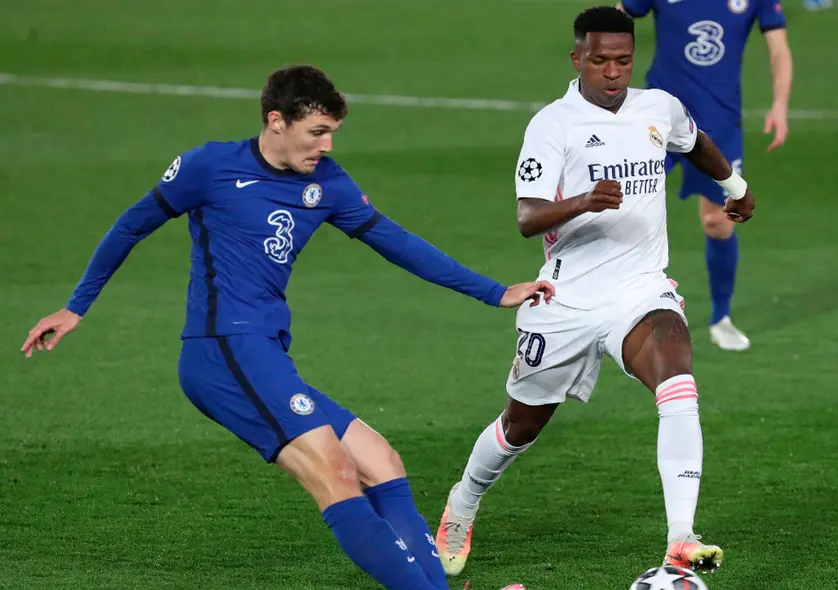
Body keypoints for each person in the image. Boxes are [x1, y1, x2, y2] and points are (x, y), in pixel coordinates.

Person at [20, 65, 552, 590]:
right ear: (277, 121)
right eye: (316, 132)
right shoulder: (210, 166)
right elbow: (131, 225)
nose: (325, 146)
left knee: (380, 461)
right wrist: (76, 307)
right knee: (336, 474)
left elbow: (398, 242)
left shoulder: (328, 182)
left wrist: (493, 290)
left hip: (265, 353)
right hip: (221, 352)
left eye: (331, 133)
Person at [435, 6, 755, 577]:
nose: (612, 71)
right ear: (577, 57)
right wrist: (583, 200)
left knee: (678, 377)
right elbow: (528, 217)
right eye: (600, 60)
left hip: (639, 288)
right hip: (566, 299)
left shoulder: (658, 107)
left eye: (623, 60)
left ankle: (680, 537)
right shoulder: (552, 125)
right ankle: (462, 503)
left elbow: (695, 140)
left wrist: (733, 184)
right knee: (520, 427)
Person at [616, 0, 793, 351]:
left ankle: (721, 318)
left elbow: (779, 50)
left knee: (718, 221)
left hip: (718, 122)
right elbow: (616, 19)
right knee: (628, 209)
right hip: (657, 119)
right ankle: (617, 313)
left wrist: (780, 104)